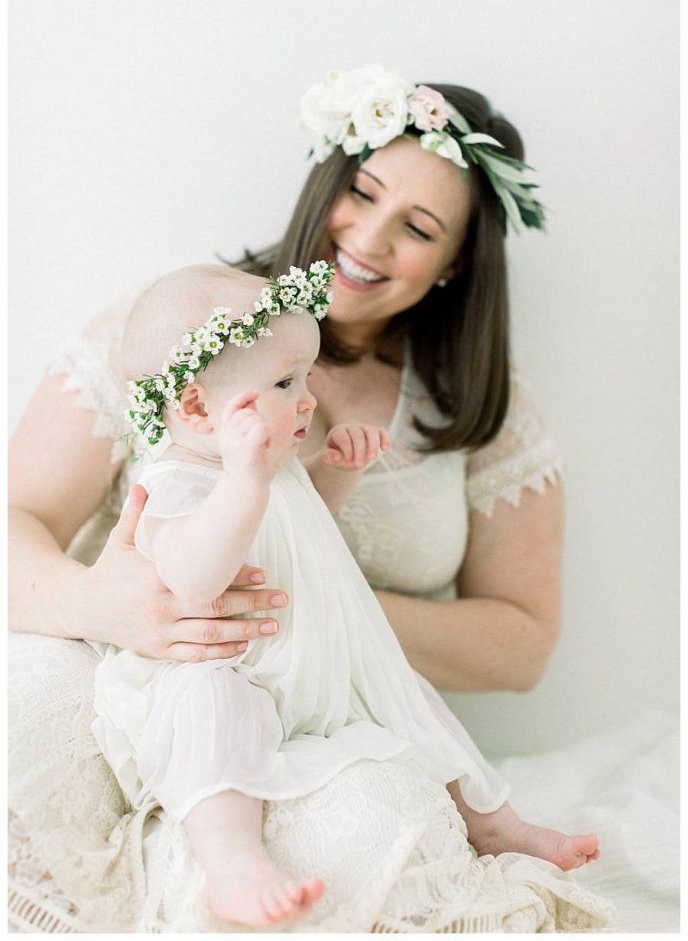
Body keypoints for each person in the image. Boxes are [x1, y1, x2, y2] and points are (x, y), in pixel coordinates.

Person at [8, 67, 599, 932]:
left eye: (419, 227)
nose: (366, 235)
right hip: (169, 673)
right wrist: (110, 602)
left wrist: (332, 610)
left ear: (455, 263)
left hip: (330, 694)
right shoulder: (183, 331)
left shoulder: (474, 405)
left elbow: (518, 643)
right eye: (361, 191)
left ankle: (493, 821)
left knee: (398, 756)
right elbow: (16, 517)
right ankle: (221, 857)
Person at [91, 261, 599, 929]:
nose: (306, 400)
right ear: (193, 407)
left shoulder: (271, 466)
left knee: (409, 695)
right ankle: (233, 862)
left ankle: (497, 821)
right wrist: (244, 482)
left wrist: (336, 472)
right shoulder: (177, 481)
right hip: (222, 669)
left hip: (307, 665)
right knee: (211, 709)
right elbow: (194, 576)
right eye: (282, 383)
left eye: (304, 379)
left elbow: (301, 529)